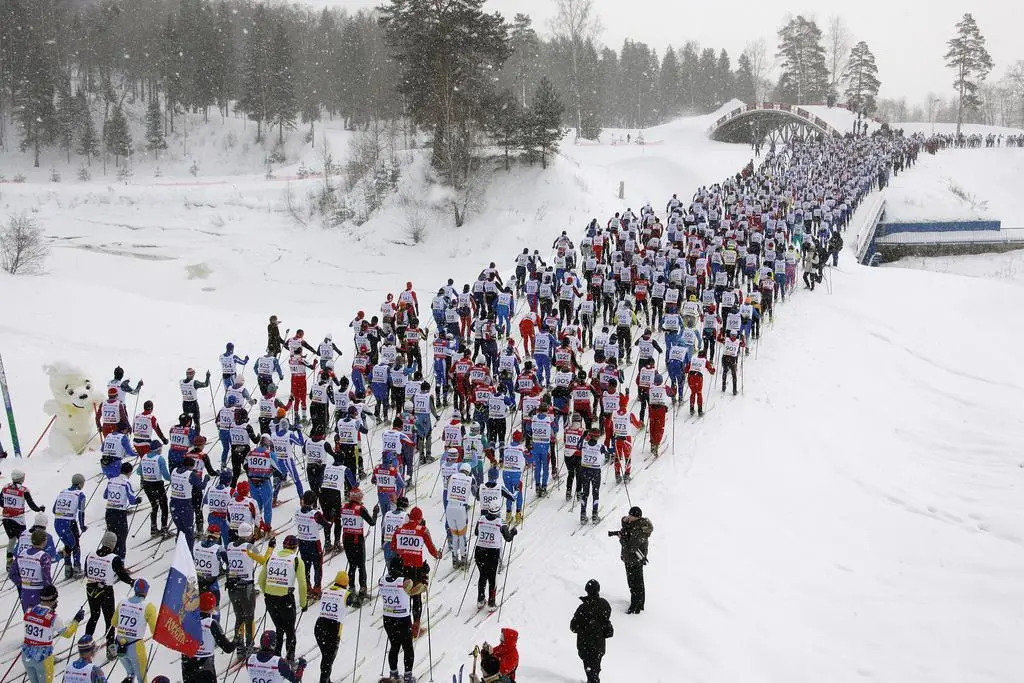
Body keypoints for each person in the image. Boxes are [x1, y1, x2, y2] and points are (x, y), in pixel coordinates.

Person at [83, 532, 135, 661]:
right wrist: (131, 582)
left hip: (91, 589)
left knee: (94, 616)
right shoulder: (114, 558)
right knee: (110, 619)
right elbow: (122, 574)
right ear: (112, 544)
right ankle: (111, 647)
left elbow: (86, 571)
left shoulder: (90, 555)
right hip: (106, 591)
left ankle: (86, 643)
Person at [392, 506, 442, 637]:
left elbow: (393, 546)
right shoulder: (422, 530)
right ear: (420, 519)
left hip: (402, 566)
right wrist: (437, 555)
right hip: (416, 567)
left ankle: (401, 623)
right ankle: (415, 626)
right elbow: (431, 548)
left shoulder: (399, 529)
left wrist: (405, 552)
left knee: (403, 594)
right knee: (416, 596)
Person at [21, 584, 84, 683]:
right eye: (56, 599)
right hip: (43, 658)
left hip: (26, 655)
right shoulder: (53, 618)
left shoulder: (28, 611)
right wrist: (76, 621)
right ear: (52, 600)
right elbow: (67, 634)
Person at [259, 534, 307, 662]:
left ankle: (275, 657)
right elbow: (302, 584)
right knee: (290, 630)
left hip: (270, 599)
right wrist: (303, 603)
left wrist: (267, 592)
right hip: (285, 599)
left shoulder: (271, 557)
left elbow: (260, 580)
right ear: (295, 548)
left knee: (279, 628)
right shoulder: (296, 560)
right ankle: (290, 658)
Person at [226, 522, 268, 653]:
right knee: (249, 616)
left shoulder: (230, 545)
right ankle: (249, 645)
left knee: (239, 616)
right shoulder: (249, 547)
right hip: (246, 586)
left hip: (233, 585)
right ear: (249, 534)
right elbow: (264, 561)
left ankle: (239, 646)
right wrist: (271, 548)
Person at [379, 558, 419, 683]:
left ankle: (393, 674)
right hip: (402, 618)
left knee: (394, 646)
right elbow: (416, 590)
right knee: (408, 648)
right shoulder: (404, 582)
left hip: (388, 619)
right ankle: (407, 676)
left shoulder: (381, 580)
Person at [181, 591, 237, 680]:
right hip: (205, 667)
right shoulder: (211, 624)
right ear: (212, 607)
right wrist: (236, 641)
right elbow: (227, 648)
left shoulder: (187, 619)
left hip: (188, 664)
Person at [473, 498, 516, 611]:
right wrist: (513, 532)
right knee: (492, 578)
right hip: (492, 552)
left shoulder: (481, 519)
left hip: (479, 551)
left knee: (482, 575)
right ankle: (491, 603)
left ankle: (480, 600)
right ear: (497, 511)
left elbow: (476, 532)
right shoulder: (500, 522)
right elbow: (508, 538)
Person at [608, 506, 654, 614]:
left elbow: (631, 547)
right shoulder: (634, 524)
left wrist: (621, 539)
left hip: (635, 560)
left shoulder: (640, 530)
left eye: (631, 516)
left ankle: (636, 607)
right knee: (633, 583)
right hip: (629, 560)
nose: (628, 517)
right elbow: (627, 529)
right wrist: (624, 521)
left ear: (636, 517)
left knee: (636, 585)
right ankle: (637, 604)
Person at [112, 579, 157, 683]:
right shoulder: (149, 607)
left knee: (130, 675)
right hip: (136, 647)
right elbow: (154, 630)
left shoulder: (122, 602)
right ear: (146, 591)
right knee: (142, 679)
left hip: (119, 645)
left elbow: (114, 623)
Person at [339, 487, 379, 605]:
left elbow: (337, 517)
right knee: (361, 565)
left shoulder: (344, 507)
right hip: (357, 540)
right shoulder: (360, 508)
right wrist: (375, 513)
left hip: (346, 539)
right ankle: (363, 589)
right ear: (358, 497)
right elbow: (372, 522)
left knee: (352, 565)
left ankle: (351, 587)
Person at [569, 579, 614, 683]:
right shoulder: (604, 604)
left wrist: (584, 627)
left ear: (587, 590)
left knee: (590, 672)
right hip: (599, 645)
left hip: (586, 645)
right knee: (595, 669)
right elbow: (606, 618)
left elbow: (573, 627)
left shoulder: (583, 608)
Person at [4, 469, 45, 567]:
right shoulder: (23, 490)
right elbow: (31, 504)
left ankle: (9, 561)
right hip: (18, 520)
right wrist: (39, 509)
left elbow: (1, 502)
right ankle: (24, 560)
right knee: (24, 540)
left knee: (12, 539)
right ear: (21, 478)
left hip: (6, 518)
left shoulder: (5, 487)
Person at [313, 570, 350, 683]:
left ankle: (326, 679)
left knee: (326, 657)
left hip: (319, 626)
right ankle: (324, 680)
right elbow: (355, 601)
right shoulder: (346, 594)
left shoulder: (326, 591)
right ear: (346, 583)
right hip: (333, 629)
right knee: (328, 659)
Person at [10, 528, 55, 611]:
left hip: (25, 593)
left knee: (29, 618)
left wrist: (22, 583)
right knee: (41, 619)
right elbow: (46, 578)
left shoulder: (22, 553)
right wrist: (50, 595)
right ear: (44, 541)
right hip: (39, 593)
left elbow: (12, 574)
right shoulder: (44, 556)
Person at [52, 474, 87, 579]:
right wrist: (82, 526)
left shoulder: (62, 492)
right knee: (75, 545)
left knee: (67, 544)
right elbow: (81, 512)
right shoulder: (80, 495)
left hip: (57, 522)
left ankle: (67, 569)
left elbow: (54, 509)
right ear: (81, 483)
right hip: (69, 523)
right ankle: (77, 569)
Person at [103, 462, 139, 558]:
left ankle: (109, 559)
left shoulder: (111, 480)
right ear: (130, 472)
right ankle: (120, 564)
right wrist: (138, 500)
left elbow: (105, 495)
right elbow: (132, 501)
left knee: (111, 537)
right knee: (121, 538)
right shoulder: (127, 482)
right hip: (119, 513)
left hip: (109, 512)